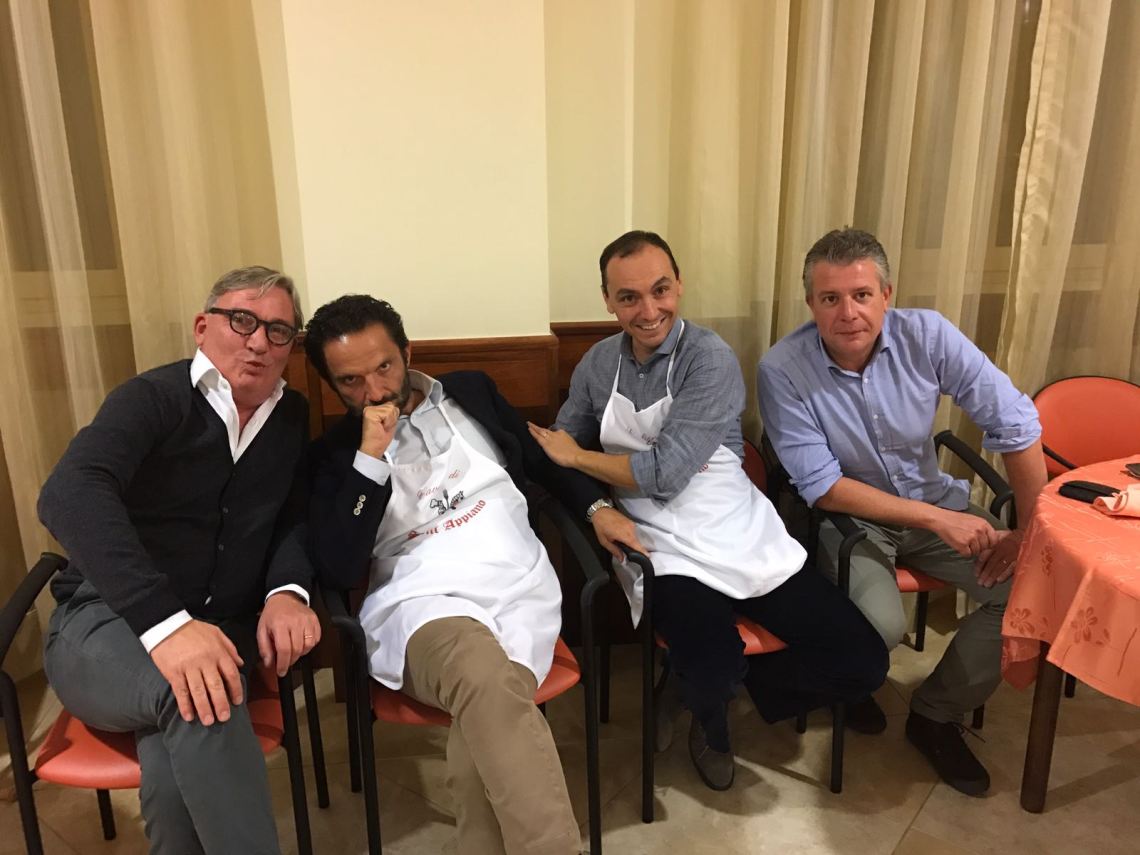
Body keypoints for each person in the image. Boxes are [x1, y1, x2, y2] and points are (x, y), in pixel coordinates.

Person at [531, 230, 888, 792]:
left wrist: (576, 456)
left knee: (862, 662)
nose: (649, 310)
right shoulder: (598, 364)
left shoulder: (709, 357)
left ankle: (707, 686)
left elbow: (662, 472)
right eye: (629, 298)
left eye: (660, 290)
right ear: (608, 301)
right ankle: (713, 723)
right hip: (659, 542)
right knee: (711, 660)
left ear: (679, 285)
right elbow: (554, 453)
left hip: (736, 526)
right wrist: (596, 503)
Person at [305, 294, 639, 855]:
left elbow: (540, 462)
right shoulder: (335, 457)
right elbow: (337, 565)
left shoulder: (472, 392)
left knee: (481, 728)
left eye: (384, 367)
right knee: (483, 677)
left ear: (407, 353)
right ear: (330, 384)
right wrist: (369, 460)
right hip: (423, 603)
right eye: (351, 381)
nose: (374, 390)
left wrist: (596, 508)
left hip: (517, 583)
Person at [38, 266, 321, 853]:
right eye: (241, 320)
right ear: (202, 327)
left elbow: (291, 516)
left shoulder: (289, 417)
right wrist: (167, 625)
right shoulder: (153, 399)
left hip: (216, 633)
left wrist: (286, 591)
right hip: (106, 623)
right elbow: (69, 492)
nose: (259, 341)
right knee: (202, 690)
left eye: (278, 330)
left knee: (179, 759)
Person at [758, 227, 1048, 796]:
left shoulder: (928, 334)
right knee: (880, 630)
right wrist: (936, 519)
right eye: (830, 298)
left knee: (1028, 590)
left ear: (887, 295)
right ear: (811, 303)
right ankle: (854, 684)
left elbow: (1017, 423)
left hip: (934, 500)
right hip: (852, 518)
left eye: (862, 295)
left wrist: (1026, 532)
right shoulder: (782, 368)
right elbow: (823, 486)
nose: (848, 313)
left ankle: (935, 714)